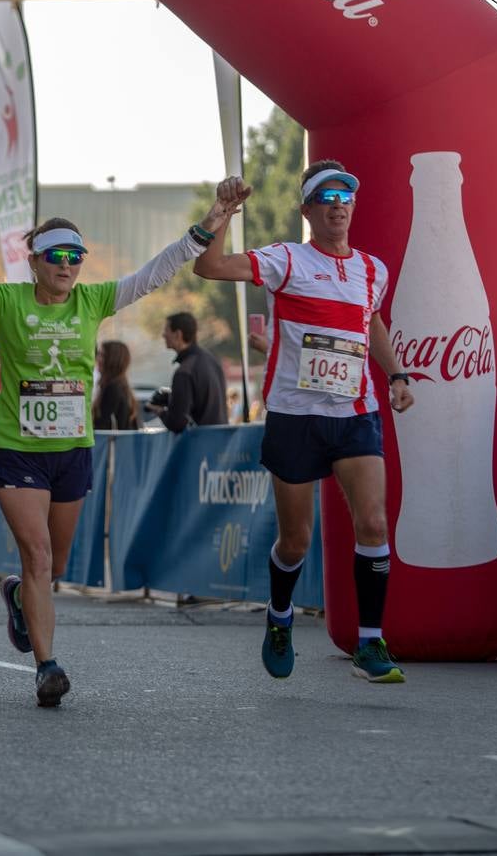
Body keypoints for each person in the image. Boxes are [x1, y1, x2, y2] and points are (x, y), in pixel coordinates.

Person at [0, 185, 239, 706]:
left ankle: (19, 596)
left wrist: (206, 226)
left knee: (55, 565)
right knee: (38, 555)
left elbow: (153, 273)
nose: (68, 266)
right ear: (35, 261)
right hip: (17, 449)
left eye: (75, 257)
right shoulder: (6, 299)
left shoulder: (92, 300)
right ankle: (47, 667)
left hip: (71, 450)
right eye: (57, 257)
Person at [193, 163, 415, 684]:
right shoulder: (285, 259)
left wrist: (397, 374)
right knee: (296, 540)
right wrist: (221, 213)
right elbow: (209, 268)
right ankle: (279, 613)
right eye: (326, 196)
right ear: (307, 211)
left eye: (346, 195)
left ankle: (369, 642)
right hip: (295, 416)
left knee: (375, 523)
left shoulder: (372, 270)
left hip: (355, 411)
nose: (338, 204)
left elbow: (373, 319)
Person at [151, 312, 227, 432]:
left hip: (198, 444)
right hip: (220, 442)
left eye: (166, 330)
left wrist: (158, 411)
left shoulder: (185, 372)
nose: (163, 335)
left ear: (178, 334)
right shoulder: (212, 360)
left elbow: (177, 423)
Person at [92, 340, 141, 431]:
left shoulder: (112, 388)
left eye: (102, 355)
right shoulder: (121, 385)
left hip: (116, 443)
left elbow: (102, 425)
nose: (97, 359)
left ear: (113, 360)